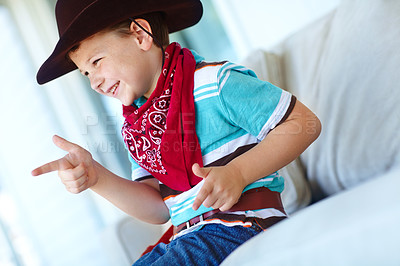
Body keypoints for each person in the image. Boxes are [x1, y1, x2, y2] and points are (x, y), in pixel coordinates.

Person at [31, 0, 321, 265]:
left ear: (140, 35)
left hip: (242, 226)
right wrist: (96, 177)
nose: (94, 82)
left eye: (96, 62)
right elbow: (160, 210)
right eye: (85, 73)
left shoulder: (214, 82)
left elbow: (302, 123)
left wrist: (239, 173)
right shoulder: (138, 128)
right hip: (187, 237)